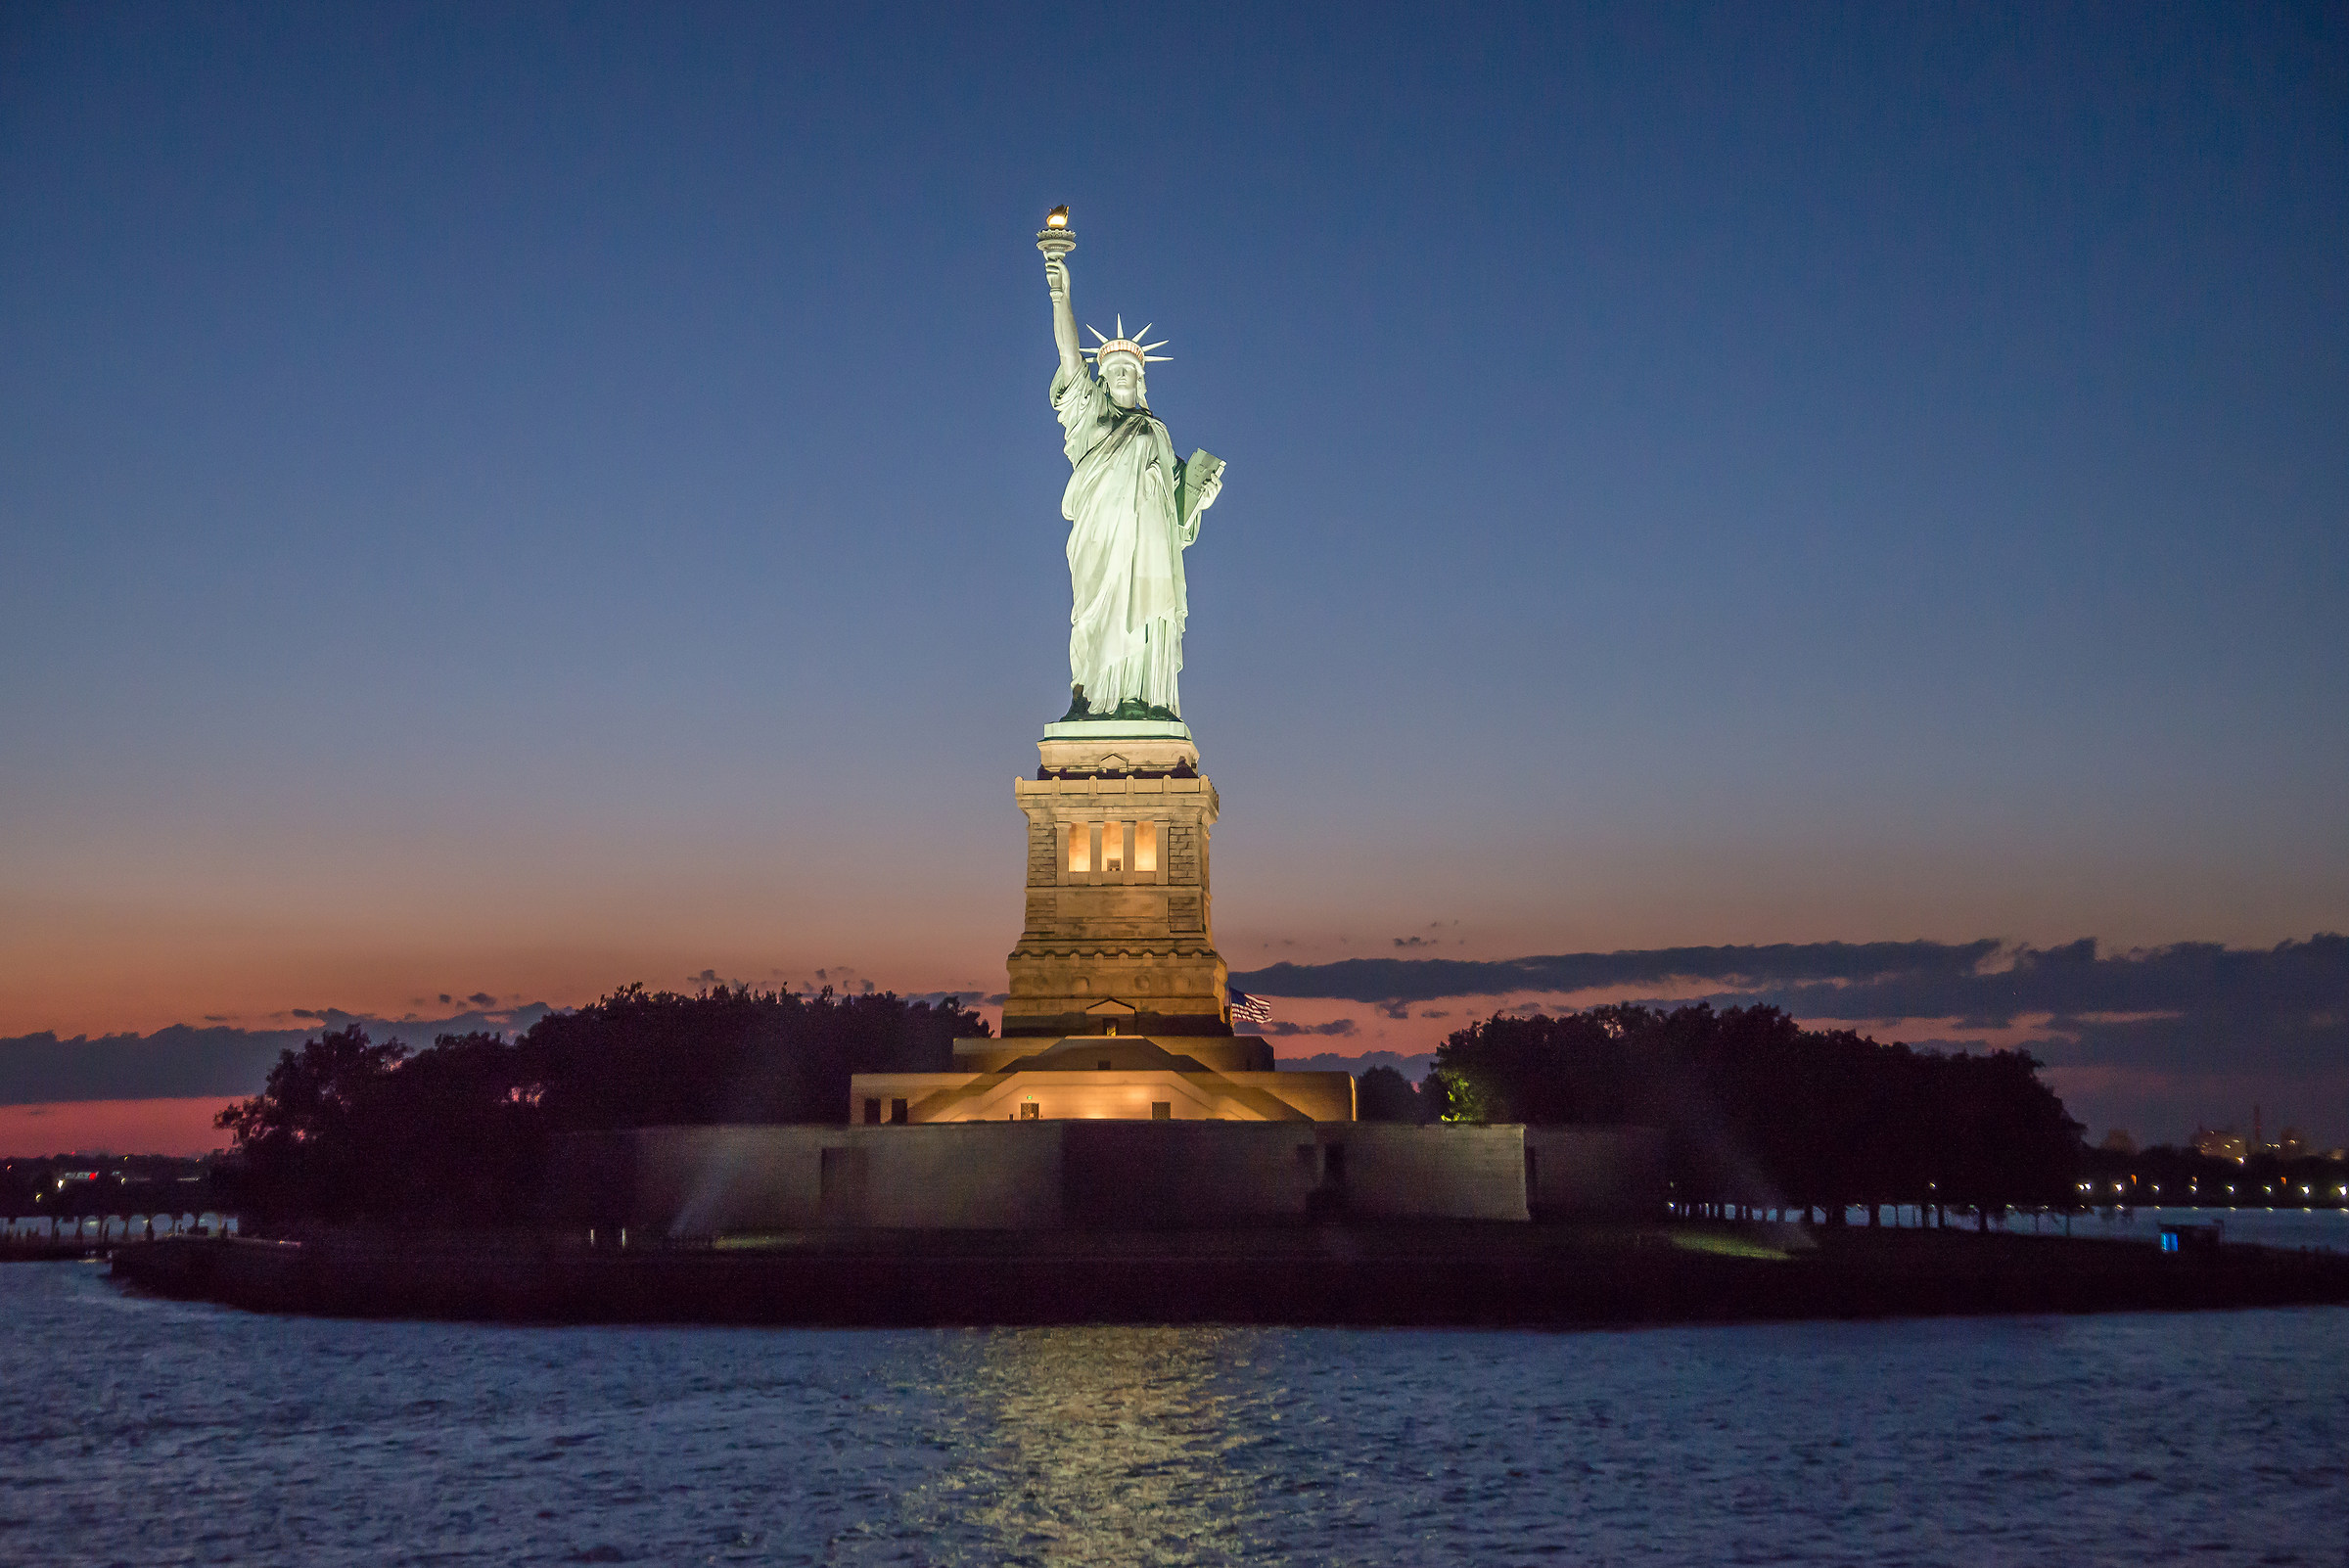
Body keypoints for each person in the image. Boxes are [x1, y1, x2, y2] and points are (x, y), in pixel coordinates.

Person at [1043, 248, 1222, 718]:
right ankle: (1093, 701)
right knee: (1095, 617)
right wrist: (1059, 293)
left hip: (1148, 553)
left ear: (1141, 379)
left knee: (1146, 616)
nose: (1122, 375)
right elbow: (1068, 355)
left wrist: (1200, 499)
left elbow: (1175, 514)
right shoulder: (1091, 417)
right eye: (1113, 370)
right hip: (1101, 544)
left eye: (1130, 370)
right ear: (1102, 378)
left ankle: (1143, 699)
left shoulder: (1156, 433)